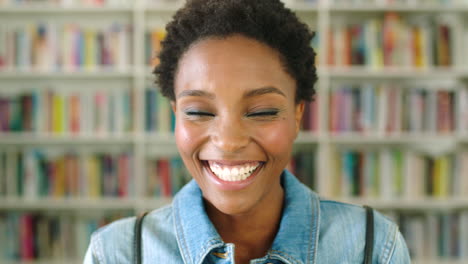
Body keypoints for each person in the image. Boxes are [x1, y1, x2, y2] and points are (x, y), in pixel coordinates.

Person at [84, 0, 411, 263]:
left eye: (262, 111)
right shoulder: (118, 253)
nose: (228, 141)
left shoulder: (372, 248)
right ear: (175, 116)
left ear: (298, 114)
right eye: (198, 112)